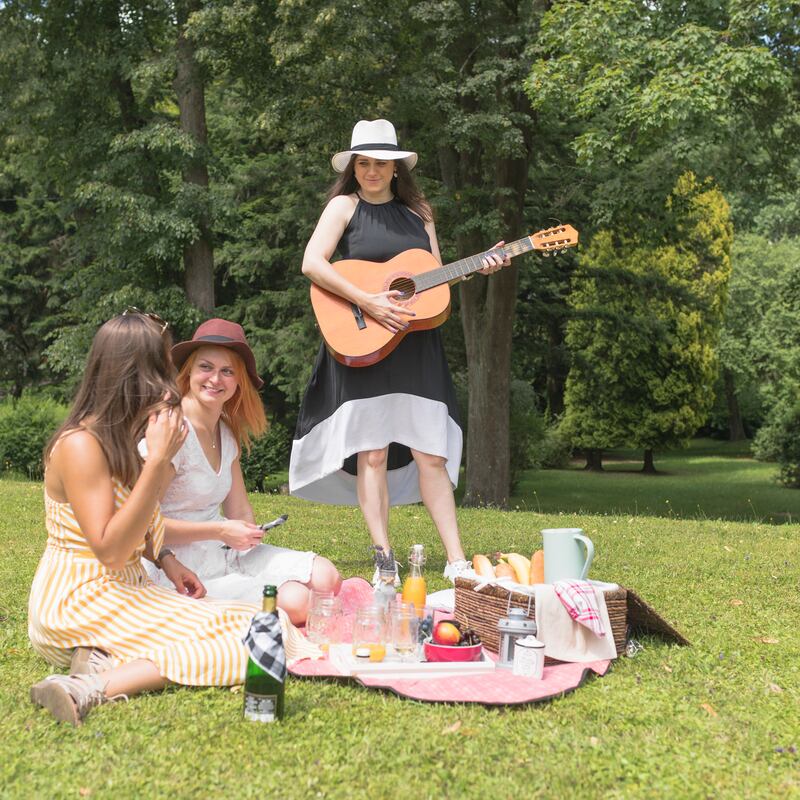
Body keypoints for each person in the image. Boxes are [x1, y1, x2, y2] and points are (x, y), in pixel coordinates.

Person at [28, 311, 317, 725]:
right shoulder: (80, 445)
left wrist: (167, 559)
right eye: (162, 367)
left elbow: (138, 522)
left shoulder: (123, 434)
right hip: (79, 600)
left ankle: (100, 659)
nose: (170, 381)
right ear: (133, 372)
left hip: (130, 587)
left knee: (264, 626)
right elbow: (110, 550)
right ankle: (86, 687)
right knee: (254, 644)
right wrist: (159, 461)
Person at [289, 119, 510, 584]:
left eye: (380, 164)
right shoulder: (342, 207)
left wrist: (477, 267)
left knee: (431, 452)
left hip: (415, 344)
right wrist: (366, 300)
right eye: (363, 163)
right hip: (364, 339)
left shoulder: (420, 213)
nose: (371, 171)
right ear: (354, 167)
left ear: (396, 169)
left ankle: (456, 560)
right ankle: (384, 558)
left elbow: (432, 274)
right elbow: (312, 263)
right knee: (371, 454)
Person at [140, 318, 341, 624]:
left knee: (327, 577)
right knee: (298, 604)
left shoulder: (225, 433)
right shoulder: (173, 432)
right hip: (175, 564)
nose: (215, 379)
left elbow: (239, 510)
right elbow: (142, 525)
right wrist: (220, 531)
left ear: (238, 382)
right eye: (206, 367)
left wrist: (249, 532)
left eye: (227, 371)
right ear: (189, 372)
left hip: (224, 550)